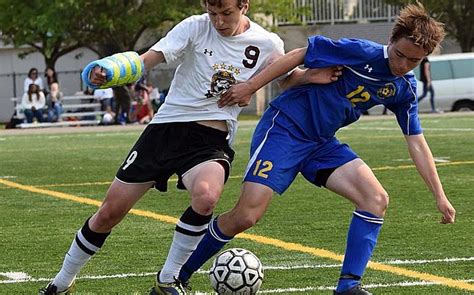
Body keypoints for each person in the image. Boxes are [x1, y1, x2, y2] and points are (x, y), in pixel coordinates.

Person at [38, 0, 339, 294]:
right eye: (212, 12)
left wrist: (311, 76)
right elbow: (149, 59)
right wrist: (110, 71)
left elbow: (284, 79)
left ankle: (168, 279)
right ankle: (61, 283)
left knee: (207, 197)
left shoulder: (267, 42)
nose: (218, 21)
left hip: (210, 139)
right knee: (109, 213)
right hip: (165, 130)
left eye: (226, 12)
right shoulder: (194, 27)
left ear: (244, 5)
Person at [175, 3, 457, 295]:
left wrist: (440, 195)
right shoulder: (361, 52)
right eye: (400, 55)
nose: (403, 65)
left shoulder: (404, 88)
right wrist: (250, 86)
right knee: (246, 216)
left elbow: (416, 141)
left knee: (375, 199)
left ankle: (348, 286)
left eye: (414, 61)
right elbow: (299, 55)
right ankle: (178, 275)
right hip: (285, 128)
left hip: (321, 142)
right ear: (391, 42)